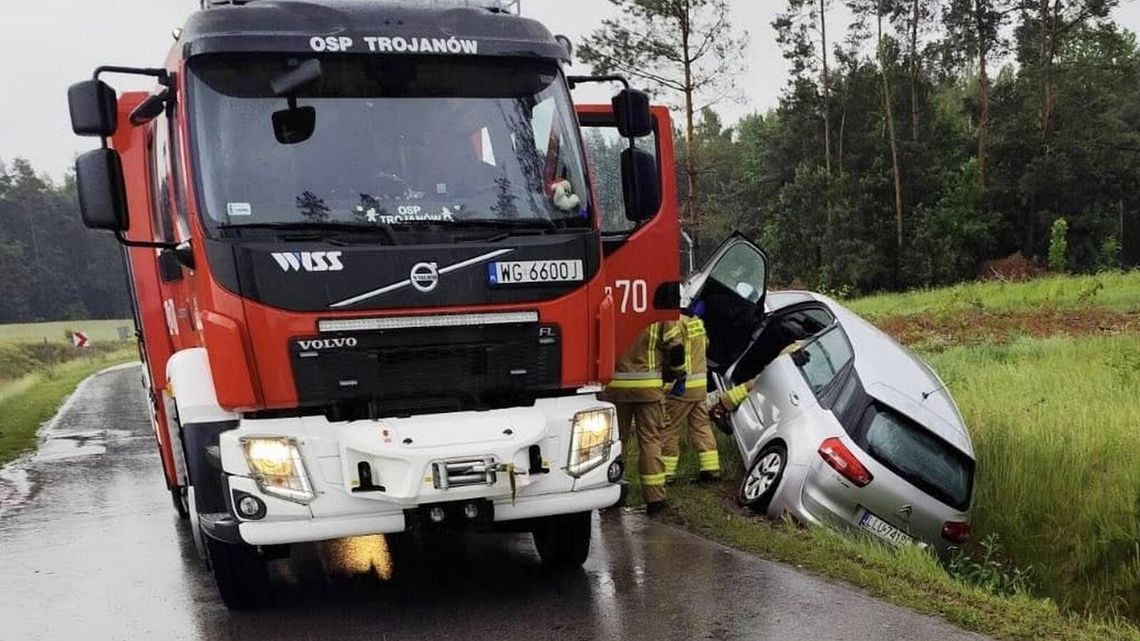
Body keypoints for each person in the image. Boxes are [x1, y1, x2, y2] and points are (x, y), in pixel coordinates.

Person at [603, 319, 686, 516]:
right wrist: (679, 375)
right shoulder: (656, 312)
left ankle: (613, 495)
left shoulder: (614, 306)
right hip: (649, 389)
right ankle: (655, 500)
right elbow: (675, 347)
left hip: (615, 387)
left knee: (615, 442)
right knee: (650, 441)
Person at [662, 308, 720, 483]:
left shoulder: (674, 320)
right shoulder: (696, 320)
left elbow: (674, 349)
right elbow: (706, 344)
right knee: (701, 426)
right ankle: (711, 469)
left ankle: (666, 473)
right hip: (700, 385)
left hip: (683, 386)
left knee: (669, 428)